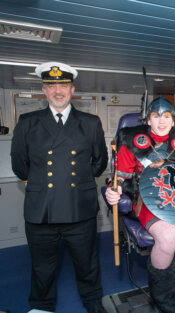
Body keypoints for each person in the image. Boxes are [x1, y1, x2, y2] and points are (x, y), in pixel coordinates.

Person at [105, 97, 175, 312]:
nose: (161, 121)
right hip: (148, 199)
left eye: (166, 116)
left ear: (173, 119)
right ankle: (164, 296)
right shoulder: (130, 140)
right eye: (156, 116)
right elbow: (119, 177)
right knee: (168, 237)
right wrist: (115, 190)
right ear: (148, 120)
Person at [10, 62, 108, 313]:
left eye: (63, 85)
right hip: (42, 209)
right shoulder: (28, 122)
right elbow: (20, 164)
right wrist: (43, 185)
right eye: (52, 85)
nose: (58, 91)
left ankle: (93, 303)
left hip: (79, 207)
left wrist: (82, 183)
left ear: (72, 89)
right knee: (42, 266)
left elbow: (100, 161)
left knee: (87, 263)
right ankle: (41, 306)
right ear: (44, 90)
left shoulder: (90, 122)